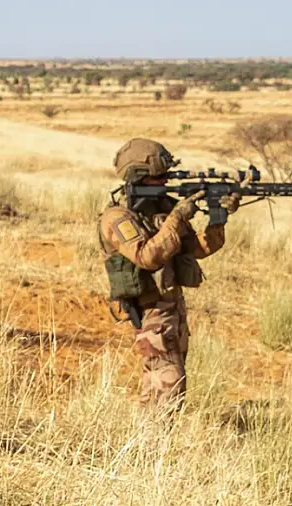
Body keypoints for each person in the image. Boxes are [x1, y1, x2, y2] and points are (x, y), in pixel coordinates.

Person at [97, 138, 240, 408]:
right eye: (158, 177)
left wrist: (218, 217)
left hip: (171, 307)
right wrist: (177, 216)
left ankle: (145, 443)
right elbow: (147, 256)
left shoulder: (160, 209)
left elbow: (197, 248)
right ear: (138, 177)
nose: (165, 182)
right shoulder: (117, 217)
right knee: (169, 381)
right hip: (149, 309)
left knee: (160, 381)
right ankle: (155, 444)